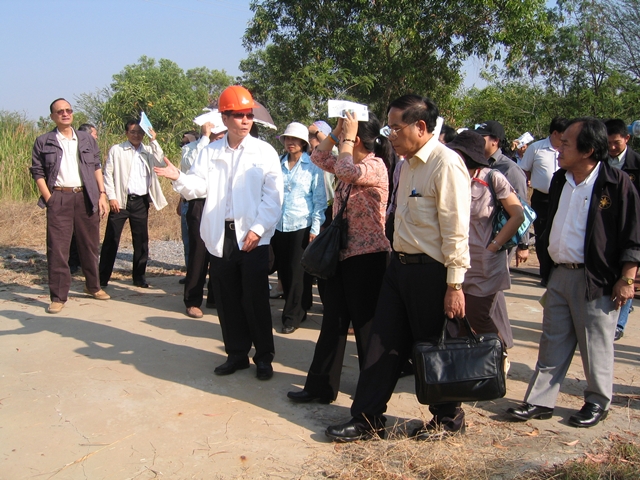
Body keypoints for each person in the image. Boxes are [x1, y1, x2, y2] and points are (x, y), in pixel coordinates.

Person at [325, 95, 470, 442]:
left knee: (433, 347)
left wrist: (454, 285)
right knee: (382, 342)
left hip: (431, 272)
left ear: (420, 126)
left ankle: (448, 418)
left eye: (395, 127)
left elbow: (456, 230)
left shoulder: (445, 164)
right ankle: (367, 418)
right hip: (399, 267)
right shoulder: (405, 165)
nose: (390, 135)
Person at [506, 117, 640, 428]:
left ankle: (597, 401)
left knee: (595, 343)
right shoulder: (560, 180)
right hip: (559, 273)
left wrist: (627, 278)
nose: (559, 149)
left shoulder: (616, 184)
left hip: (597, 278)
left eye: (566, 144)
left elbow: (633, 235)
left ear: (588, 150)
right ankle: (540, 401)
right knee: (552, 340)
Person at [154, 85, 283, 381]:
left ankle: (264, 357)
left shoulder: (264, 152)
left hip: (253, 237)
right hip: (220, 235)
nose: (245, 120)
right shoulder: (210, 152)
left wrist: (258, 229)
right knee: (227, 298)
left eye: (248, 115)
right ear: (224, 118)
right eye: (238, 115)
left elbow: (274, 197)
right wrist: (178, 177)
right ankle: (236, 354)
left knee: (255, 299)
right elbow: (198, 187)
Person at [287, 111, 392, 404]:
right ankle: (320, 387)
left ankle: (371, 398)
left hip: (367, 258)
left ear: (357, 139)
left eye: (348, 135)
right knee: (333, 322)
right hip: (341, 254)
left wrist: (347, 138)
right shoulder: (346, 160)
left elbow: (346, 171)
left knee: (366, 329)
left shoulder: (374, 166)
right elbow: (318, 157)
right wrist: (336, 130)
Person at [30, 98, 110, 314]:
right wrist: (49, 199)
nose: (65, 114)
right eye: (60, 111)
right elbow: (37, 172)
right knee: (58, 249)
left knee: (90, 245)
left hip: (86, 196)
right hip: (59, 197)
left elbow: (96, 166)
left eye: (68, 110)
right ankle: (58, 296)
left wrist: (102, 194)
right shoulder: (44, 141)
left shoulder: (86, 139)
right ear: (52, 116)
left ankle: (93, 286)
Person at [447, 130, 524, 350]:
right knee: (460, 317)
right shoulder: (449, 178)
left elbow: (517, 215)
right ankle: (471, 364)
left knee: (477, 315)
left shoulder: (492, 178)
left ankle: (498, 356)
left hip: (486, 263)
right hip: (458, 260)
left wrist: (494, 246)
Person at [99, 120, 168, 288]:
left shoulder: (148, 150)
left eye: (140, 132)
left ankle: (139, 277)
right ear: (126, 133)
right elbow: (108, 174)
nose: (136, 135)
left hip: (140, 202)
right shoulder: (117, 150)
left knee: (141, 241)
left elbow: (161, 162)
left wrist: (154, 140)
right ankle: (101, 278)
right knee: (111, 240)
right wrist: (111, 197)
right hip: (121, 201)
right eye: (133, 132)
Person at [272, 122, 326, 333]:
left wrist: (315, 228)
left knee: (297, 273)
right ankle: (300, 307)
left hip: (301, 224)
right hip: (279, 224)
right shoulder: (277, 163)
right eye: (287, 138)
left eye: (295, 139)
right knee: (284, 271)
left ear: (303, 143)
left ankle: (291, 317)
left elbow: (319, 200)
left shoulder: (312, 166)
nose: (290, 142)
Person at [181, 119, 228, 318]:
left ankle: (215, 297)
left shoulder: (229, 152)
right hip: (199, 204)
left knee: (220, 252)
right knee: (199, 253)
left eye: (222, 136)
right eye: (215, 136)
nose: (219, 139)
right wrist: (205, 139)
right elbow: (190, 168)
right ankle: (192, 300)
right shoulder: (192, 148)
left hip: (220, 204)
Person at [475, 120, 529, 267]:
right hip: (478, 236)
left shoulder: (510, 169)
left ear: (495, 141)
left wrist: (523, 244)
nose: (477, 140)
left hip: (501, 238)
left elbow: (522, 208)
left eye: (482, 137)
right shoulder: (476, 163)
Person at [604, 118, 640, 340]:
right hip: (606, 227)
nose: (612, 147)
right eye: (608, 142)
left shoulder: (637, 163)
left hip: (632, 227)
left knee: (628, 274)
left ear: (627, 138)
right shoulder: (599, 161)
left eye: (616, 142)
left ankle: (619, 323)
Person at [518, 117, 568, 259]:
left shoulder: (569, 149)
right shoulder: (536, 148)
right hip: (542, 199)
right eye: (564, 134)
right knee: (542, 234)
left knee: (560, 233)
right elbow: (524, 170)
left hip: (563, 197)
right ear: (555, 133)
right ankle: (544, 268)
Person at [68, 123, 100, 274]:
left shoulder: (93, 150)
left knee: (89, 230)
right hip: (74, 194)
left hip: (91, 194)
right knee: (73, 230)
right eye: (94, 134)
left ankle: (87, 263)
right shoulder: (72, 149)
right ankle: (73, 261)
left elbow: (97, 169)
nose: (96, 137)